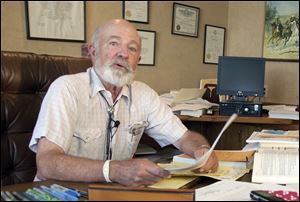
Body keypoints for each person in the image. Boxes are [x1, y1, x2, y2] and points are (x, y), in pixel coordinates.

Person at [29, 19, 218, 187]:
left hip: (111, 194)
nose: (124, 54)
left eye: (132, 48)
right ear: (93, 52)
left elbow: (184, 137)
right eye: (113, 43)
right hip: (59, 193)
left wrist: (201, 150)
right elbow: (47, 163)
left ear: (138, 60)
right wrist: (115, 170)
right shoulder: (67, 88)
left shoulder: (144, 94)